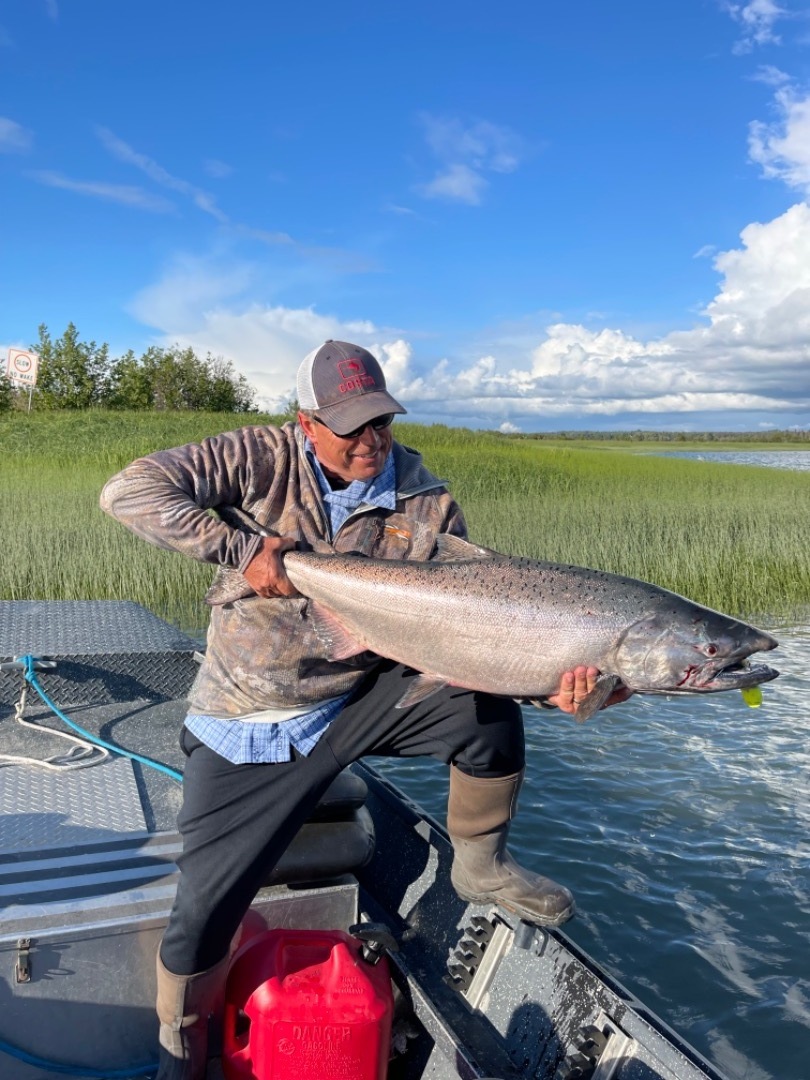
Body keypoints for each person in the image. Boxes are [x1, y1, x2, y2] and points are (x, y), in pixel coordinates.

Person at [100, 340, 628, 1080]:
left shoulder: (425, 498)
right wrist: (243, 550)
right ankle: (179, 1045)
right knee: (205, 910)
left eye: (380, 421)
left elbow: (476, 630)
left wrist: (553, 685)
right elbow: (128, 492)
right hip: (254, 709)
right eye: (350, 427)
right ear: (305, 422)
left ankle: (479, 865)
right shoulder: (259, 457)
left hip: (364, 697)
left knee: (486, 709)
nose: (371, 442)